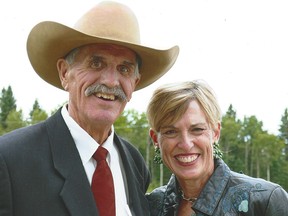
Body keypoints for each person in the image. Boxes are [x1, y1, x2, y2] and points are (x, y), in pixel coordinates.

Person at [0, 1, 179, 216]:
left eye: (124, 69)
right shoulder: (10, 160)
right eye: (96, 63)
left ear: (135, 83)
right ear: (65, 73)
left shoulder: (134, 163)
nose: (112, 81)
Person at [146, 80, 288, 216]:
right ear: (155, 139)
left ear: (216, 132)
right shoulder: (149, 206)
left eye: (197, 129)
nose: (186, 144)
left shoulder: (264, 200)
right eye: (171, 132)